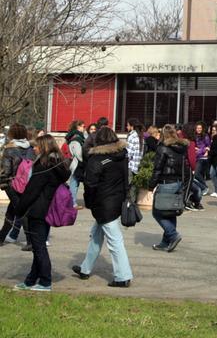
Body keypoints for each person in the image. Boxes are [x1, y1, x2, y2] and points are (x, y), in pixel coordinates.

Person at [72, 127, 133, 288]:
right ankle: (85, 269)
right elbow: (126, 179)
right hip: (115, 202)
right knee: (96, 236)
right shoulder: (122, 156)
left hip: (103, 205)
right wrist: (126, 197)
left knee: (115, 241)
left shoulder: (96, 159)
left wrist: (89, 203)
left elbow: (90, 185)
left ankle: (122, 276)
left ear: (97, 140)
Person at [12, 134, 70, 291]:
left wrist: (19, 209)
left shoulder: (43, 165)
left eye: (36, 146)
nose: (34, 149)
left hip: (39, 210)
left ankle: (45, 281)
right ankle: (31, 280)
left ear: (43, 147)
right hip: (48, 209)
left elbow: (31, 191)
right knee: (39, 245)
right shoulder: (57, 163)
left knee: (39, 247)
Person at [149, 124, 190, 253]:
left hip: (166, 183)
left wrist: (151, 185)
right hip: (177, 182)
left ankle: (173, 235)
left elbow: (157, 168)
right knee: (170, 212)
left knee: (157, 212)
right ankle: (165, 242)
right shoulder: (181, 148)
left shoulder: (163, 148)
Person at [0, 123, 35, 249]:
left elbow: (6, 171)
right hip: (26, 184)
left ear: (12, 134)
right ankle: (1, 237)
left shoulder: (9, 149)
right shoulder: (30, 148)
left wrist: (2, 184)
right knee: (12, 211)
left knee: (21, 211)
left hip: (12, 184)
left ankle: (31, 241)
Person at [65, 120, 86, 208]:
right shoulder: (76, 138)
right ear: (78, 127)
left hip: (78, 164)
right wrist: (85, 159)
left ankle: (72, 202)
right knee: (74, 183)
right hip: (77, 164)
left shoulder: (79, 137)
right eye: (83, 126)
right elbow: (78, 154)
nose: (84, 128)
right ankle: (72, 203)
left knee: (75, 183)